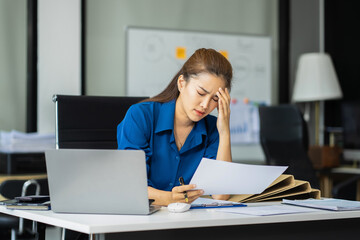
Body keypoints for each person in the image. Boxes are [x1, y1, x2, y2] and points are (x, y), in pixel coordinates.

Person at [117, 48, 233, 206]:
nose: (205, 105)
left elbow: (220, 195)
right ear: (181, 83)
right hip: (142, 221)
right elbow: (130, 187)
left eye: (214, 99)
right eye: (200, 93)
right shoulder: (140, 116)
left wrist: (225, 131)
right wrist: (171, 199)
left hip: (189, 223)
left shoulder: (213, 128)